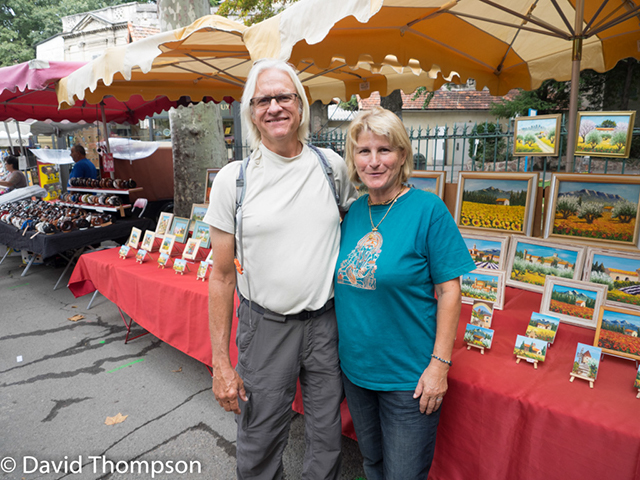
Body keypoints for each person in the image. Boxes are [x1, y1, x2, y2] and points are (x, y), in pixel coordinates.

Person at [203, 58, 357, 480]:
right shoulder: (235, 181)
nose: (274, 106)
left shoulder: (332, 167)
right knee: (259, 439)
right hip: (265, 327)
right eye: (263, 99)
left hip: (326, 325)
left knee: (326, 438)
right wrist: (221, 363)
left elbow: (353, 232)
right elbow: (220, 275)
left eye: (283, 96)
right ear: (251, 112)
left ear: (301, 105)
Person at [334, 107, 475, 479]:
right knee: (373, 463)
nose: (374, 161)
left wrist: (439, 366)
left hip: (408, 378)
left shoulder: (428, 209)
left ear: (402, 156)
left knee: (403, 474)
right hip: (357, 370)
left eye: (385, 150)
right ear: (354, 159)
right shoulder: (354, 211)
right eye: (364, 151)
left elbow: (449, 290)